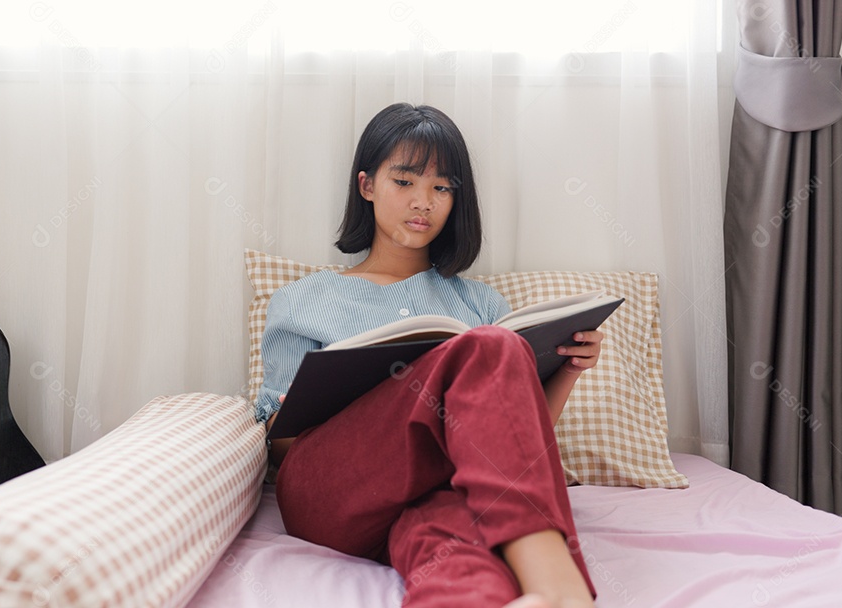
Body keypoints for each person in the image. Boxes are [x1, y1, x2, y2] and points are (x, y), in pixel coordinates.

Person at [256, 103, 600, 608]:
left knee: (458, 549)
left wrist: (567, 370)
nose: (424, 202)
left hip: (441, 491)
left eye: (441, 188)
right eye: (405, 181)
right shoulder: (304, 298)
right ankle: (564, 590)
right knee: (488, 345)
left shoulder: (480, 304)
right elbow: (281, 448)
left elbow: (516, 450)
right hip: (332, 494)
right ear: (367, 185)